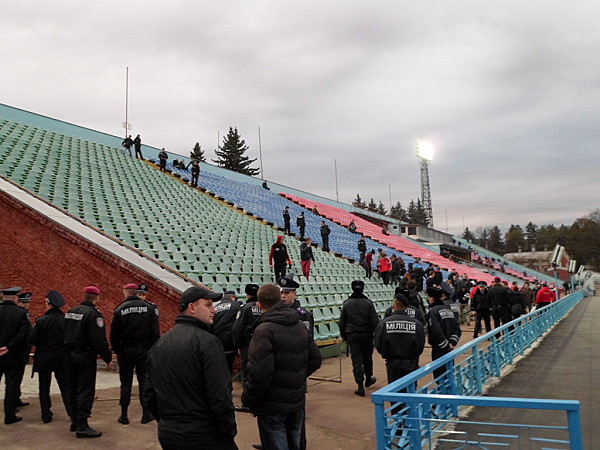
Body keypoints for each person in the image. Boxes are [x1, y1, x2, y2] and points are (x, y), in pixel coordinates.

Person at [143, 286, 237, 449]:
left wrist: (168, 423)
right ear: (192, 307)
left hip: (170, 434)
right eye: (208, 305)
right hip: (204, 435)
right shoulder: (208, 343)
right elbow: (220, 395)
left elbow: (149, 395)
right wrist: (228, 432)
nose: (213, 310)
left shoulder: (160, 344)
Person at [242, 284, 322, 450]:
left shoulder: (263, 330)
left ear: (259, 304)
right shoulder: (299, 325)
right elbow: (315, 359)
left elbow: (259, 373)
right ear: (280, 300)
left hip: (272, 406)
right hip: (296, 401)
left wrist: (249, 399)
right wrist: (296, 378)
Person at [63, 286, 112, 438]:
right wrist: (107, 357)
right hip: (85, 356)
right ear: (96, 298)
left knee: (72, 388)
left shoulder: (71, 312)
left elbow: (63, 333)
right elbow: (99, 340)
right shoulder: (94, 315)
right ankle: (82, 425)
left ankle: (74, 421)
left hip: (69, 354)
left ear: (84, 296)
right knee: (85, 390)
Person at [110, 283, 160, 425]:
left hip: (125, 351)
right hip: (144, 350)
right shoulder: (150, 309)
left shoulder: (120, 309)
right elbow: (155, 332)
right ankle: (146, 414)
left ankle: (124, 415)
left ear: (126, 292)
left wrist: (116, 350)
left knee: (125, 383)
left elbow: (114, 334)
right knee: (144, 381)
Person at [30, 290, 71, 424]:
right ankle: (72, 413)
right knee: (65, 386)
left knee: (44, 387)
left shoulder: (41, 321)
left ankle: (45, 414)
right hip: (62, 358)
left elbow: (33, 339)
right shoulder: (66, 321)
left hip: (44, 358)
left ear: (49, 304)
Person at [339, 280, 379, 396]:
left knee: (356, 360)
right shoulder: (368, 303)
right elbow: (374, 321)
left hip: (352, 334)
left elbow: (342, 322)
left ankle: (360, 385)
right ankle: (369, 378)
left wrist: (344, 336)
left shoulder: (346, 304)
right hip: (366, 334)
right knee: (367, 357)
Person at [375, 294, 426, 384]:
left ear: (394, 307)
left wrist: (387, 354)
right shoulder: (416, 324)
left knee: (394, 390)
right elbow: (421, 344)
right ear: (406, 308)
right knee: (410, 390)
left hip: (392, 363)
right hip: (411, 362)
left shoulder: (384, 324)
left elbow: (378, 343)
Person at [0, 287, 31, 424]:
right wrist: (9, 346)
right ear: (15, 299)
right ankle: (9, 415)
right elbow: (23, 334)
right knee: (12, 385)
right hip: (13, 356)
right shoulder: (21, 313)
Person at [232, 284, 262, 412]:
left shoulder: (245, 308)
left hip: (247, 345)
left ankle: (247, 402)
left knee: (247, 374)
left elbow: (237, 328)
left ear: (247, 295)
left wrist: (237, 345)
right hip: (262, 344)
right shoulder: (264, 307)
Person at [427, 286, 461, 382]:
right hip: (449, 347)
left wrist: (446, 345)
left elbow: (436, 331)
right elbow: (457, 328)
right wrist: (452, 343)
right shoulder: (448, 309)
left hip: (439, 348)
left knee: (440, 376)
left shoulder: (432, 311)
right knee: (449, 373)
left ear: (432, 299)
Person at [213, 290, 242, 374]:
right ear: (232, 297)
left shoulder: (215, 307)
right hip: (231, 339)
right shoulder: (236, 304)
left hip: (218, 339)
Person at [278, 274, 314, 338]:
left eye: (286, 293)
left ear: (294, 294)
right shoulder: (277, 312)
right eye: (281, 293)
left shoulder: (303, 315)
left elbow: (306, 338)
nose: (283, 296)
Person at [14, 292, 32, 413]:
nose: (26, 305)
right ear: (18, 302)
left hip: (22, 350)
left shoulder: (24, 313)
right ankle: (12, 402)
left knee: (18, 377)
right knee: (14, 378)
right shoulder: (19, 314)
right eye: (24, 302)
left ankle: (16, 398)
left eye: (27, 302)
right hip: (17, 351)